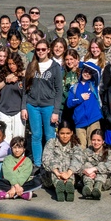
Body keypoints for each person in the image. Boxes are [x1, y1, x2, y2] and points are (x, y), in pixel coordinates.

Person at [24, 40, 62, 168]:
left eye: (43, 49)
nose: (40, 52)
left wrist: (56, 111)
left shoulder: (55, 67)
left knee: (50, 136)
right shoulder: (32, 65)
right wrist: (24, 107)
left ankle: (49, 163)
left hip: (48, 105)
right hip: (32, 105)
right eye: (38, 49)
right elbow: (25, 88)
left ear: (48, 50)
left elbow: (59, 91)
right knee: (36, 136)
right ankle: (38, 164)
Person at [42, 120, 84, 201]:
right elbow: (46, 159)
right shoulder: (51, 143)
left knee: (73, 166)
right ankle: (59, 186)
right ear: (57, 133)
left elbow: (78, 160)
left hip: (70, 174)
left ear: (72, 133)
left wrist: (68, 173)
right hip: (53, 176)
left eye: (68, 133)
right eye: (62, 133)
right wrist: (57, 173)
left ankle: (69, 186)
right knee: (54, 164)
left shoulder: (75, 144)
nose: (65, 136)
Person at [65, 61, 103, 146]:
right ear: (82, 71)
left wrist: (81, 63)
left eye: (90, 73)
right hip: (79, 122)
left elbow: (98, 70)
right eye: (85, 71)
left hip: (93, 119)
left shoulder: (93, 85)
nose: (87, 74)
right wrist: (80, 98)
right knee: (81, 147)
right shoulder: (74, 87)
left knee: (93, 145)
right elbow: (69, 103)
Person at [0, 53, 26, 143]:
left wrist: (23, 109)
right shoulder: (3, 75)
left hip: (18, 112)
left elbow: (25, 94)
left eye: (14, 64)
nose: (11, 66)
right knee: (5, 140)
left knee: (19, 139)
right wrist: (6, 80)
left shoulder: (23, 77)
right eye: (9, 64)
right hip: (3, 110)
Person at [80, 129, 111, 200]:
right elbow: (79, 165)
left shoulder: (108, 152)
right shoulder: (86, 151)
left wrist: (94, 169)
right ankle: (88, 187)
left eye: (99, 140)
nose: (96, 142)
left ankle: (97, 188)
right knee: (87, 165)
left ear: (103, 141)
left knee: (102, 167)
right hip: (88, 178)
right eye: (93, 140)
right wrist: (86, 172)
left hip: (104, 181)